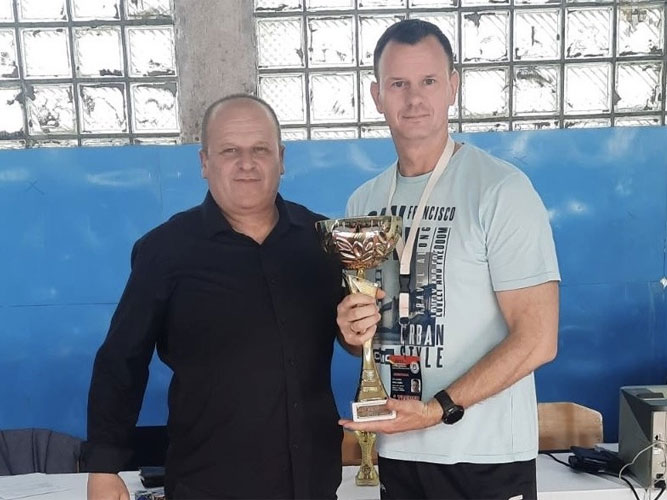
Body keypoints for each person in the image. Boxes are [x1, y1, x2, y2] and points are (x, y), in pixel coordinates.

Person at [336, 19, 560, 500]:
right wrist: (352, 333)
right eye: (398, 84)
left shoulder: (500, 190)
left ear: (453, 87)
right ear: (377, 95)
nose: (414, 98)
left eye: (429, 81)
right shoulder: (364, 202)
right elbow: (366, 341)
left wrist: (438, 409)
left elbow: (539, 339)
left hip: (484, 456)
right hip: (398, 448)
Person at [81, 94, 343, 500]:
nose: (246, 163)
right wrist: (103, 466)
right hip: (208, 484)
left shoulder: (324, 241)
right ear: (204, 162)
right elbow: (121, 361)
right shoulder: (165, 251)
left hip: (312, 484)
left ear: (281, 159)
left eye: (260, 149)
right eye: (229, 151)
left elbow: (354, 334)